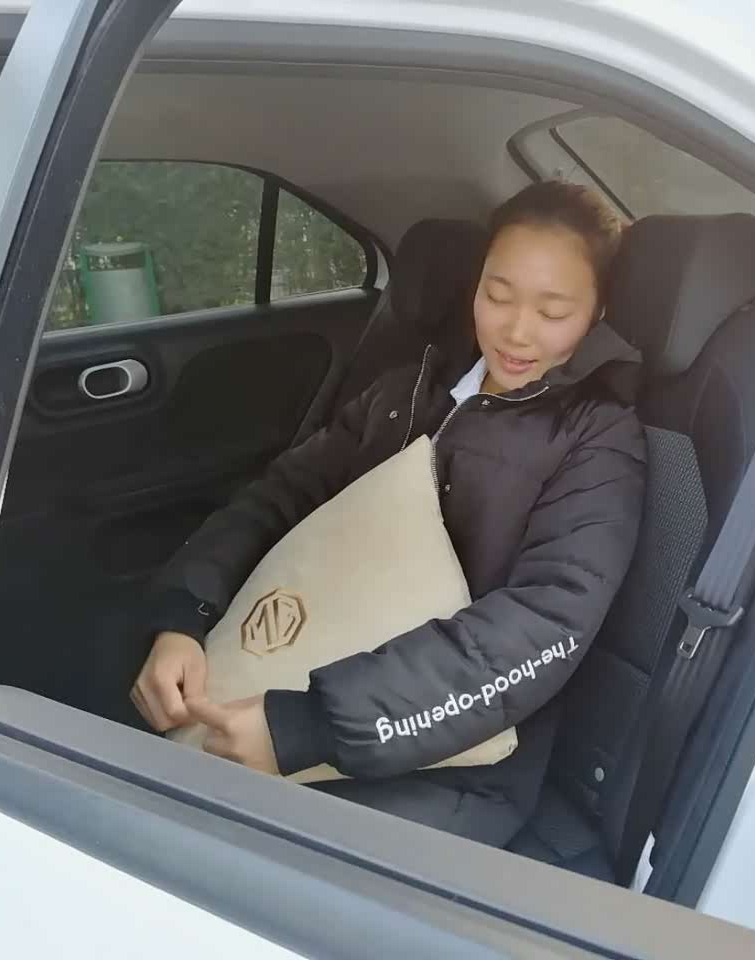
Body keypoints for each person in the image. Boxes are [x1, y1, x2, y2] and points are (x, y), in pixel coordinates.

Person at [131, 181, 646, 846]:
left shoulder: (597, 440)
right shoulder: (407, 389)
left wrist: (307, 727)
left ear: (597, 311)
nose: (517, 331)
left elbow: (543, 624)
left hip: (456, 762)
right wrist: (184, 617)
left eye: (553, 311)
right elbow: (284, 494)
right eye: (497, 295)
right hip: (301, 668)